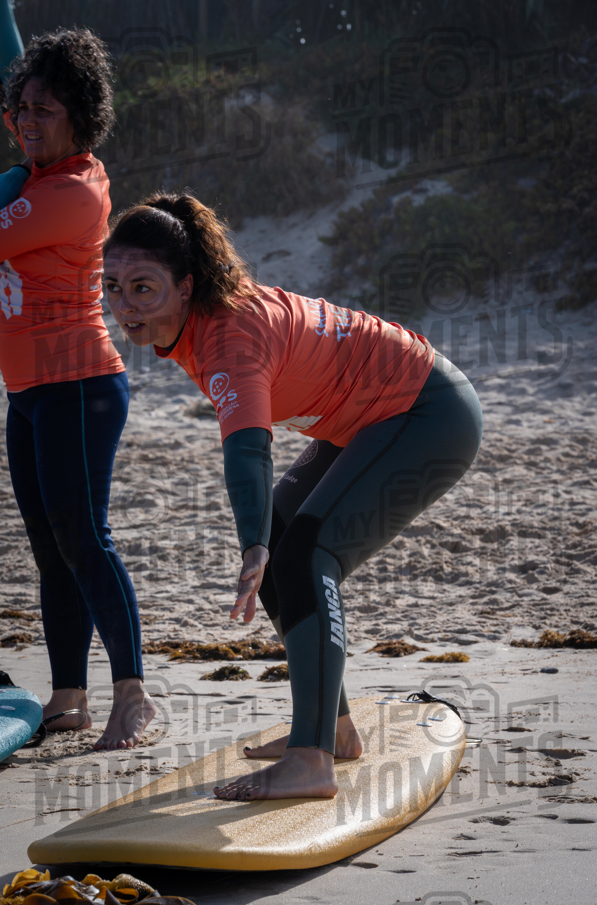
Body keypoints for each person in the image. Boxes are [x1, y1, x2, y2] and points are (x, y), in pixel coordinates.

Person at [103, 191, 483, 798]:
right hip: (367, 418)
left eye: (143, 288)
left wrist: (252, 546)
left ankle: (311, 760)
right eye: (114, 286)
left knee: (305, 555)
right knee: (286, 538)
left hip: (427, 412)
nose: (125, 305)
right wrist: (262, 541)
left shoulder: (228, 337)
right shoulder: (197, 321)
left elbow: (248, 451)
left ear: (186, 285)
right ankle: (334, 730)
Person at [0, 27, 156, 750]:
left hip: (79, 385)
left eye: (46, 110)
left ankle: (132, 697)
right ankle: (70, 695)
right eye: (21, 108)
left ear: (81, 119)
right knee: (50, 546)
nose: (30, 121)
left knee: (85, 539)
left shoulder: (71, 190)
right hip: (29, 391)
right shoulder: (30, 182)